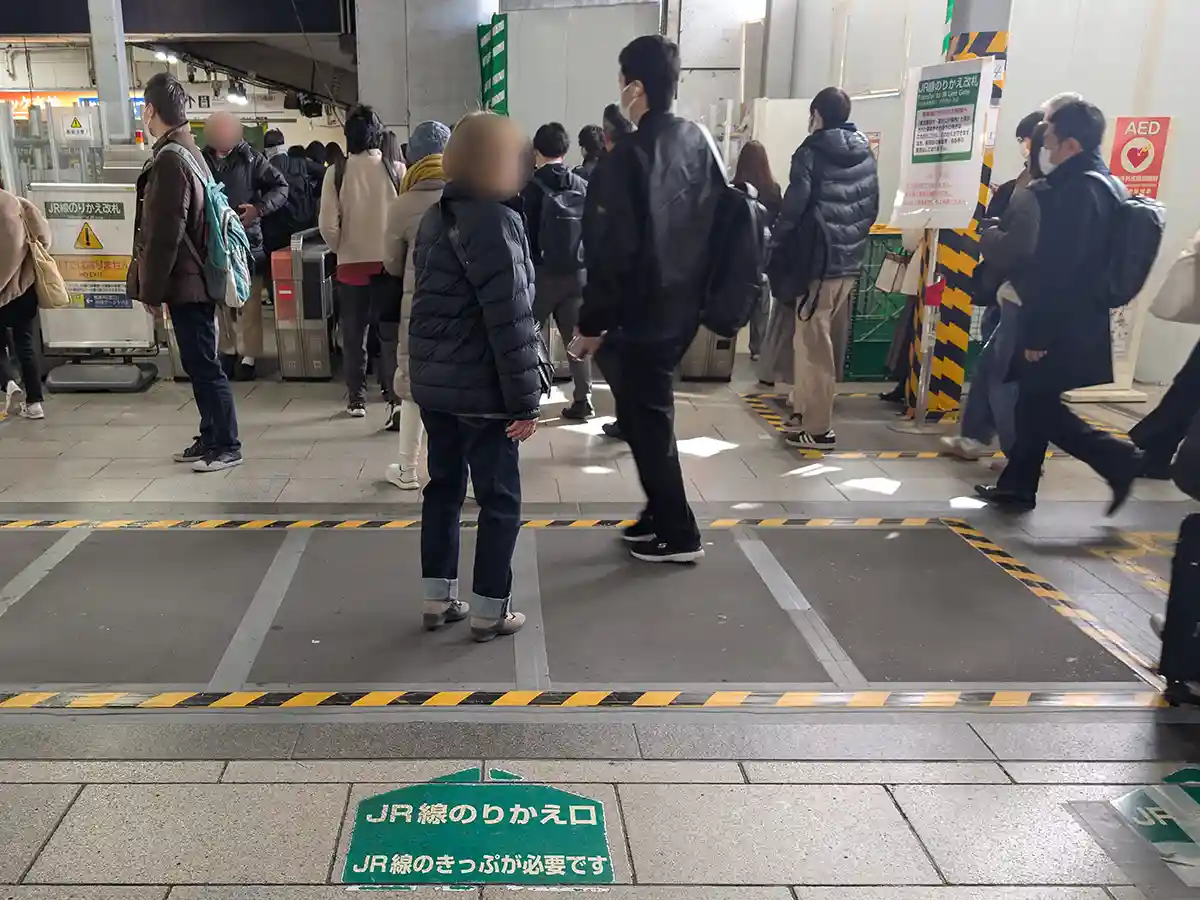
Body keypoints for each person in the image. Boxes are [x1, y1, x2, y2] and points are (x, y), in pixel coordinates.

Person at [573, 34, 723, 564]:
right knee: (643, 419)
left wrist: (590, 324)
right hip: (683, 309)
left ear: (635, 86)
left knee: (648, 421)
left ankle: (680, 534)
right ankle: (660, 513)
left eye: (622, 82)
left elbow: (610, 252)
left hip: (642, 316)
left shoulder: (628, 157)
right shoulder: (699, 142)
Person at [409, 111, 543, 641]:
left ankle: (436, 598)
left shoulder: (433, 218)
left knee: (442, 489)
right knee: (499, 498)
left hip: (436, 390)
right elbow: (509, 319)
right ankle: (491, 608)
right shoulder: (496, 223)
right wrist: (525, 402)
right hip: (484, 392)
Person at [975, 99, 1143, 513]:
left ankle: (1117, 459)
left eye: (1047, 137)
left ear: (1069, 143)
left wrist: (1039, 335)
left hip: (1059, 320)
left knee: (1040, 406)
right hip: (1075, 318)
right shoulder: (1100, 182)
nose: (1041, 146)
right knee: (1035, 404)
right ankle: (1017, 486)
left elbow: (1061, 270)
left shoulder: (1077, 191)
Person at [129, 73, 241, 471]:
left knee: (204, 364)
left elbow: (164, 235)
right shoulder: (188, 151)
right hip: (194, 278)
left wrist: (150, 291)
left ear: (151, 111)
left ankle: (226, 443)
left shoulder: (172, 160)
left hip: (187, 282)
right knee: (198, 362)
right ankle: (211, 434)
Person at [773, 87, 880, 450]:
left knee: (814, 345)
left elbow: (795, 206)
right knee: (809, 340)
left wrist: (777, 242)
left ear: (816, 113)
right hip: (847, 262)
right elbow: (871, 206)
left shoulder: (811, 152)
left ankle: (819, 428)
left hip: (817, 262)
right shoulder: (866, 152)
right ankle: (803, 414)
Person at [942, 117, 1047, 461]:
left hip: (1023, 295)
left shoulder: (1040, 189)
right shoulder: (1026, 182)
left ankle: (1019, 455)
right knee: (991, 368)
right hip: (1009, 291)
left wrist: (990, 234)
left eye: (1026, 139)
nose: (1024, 145)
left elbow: (1019, 245)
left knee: (1004, 376)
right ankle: (974, 436)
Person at [318, 105, 402, 418]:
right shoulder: (396, 169)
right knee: (388, 334)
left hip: (351, 267)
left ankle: (356, 398)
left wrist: (344, 248)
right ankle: (391, 392)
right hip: (388, 265)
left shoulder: (336, 172)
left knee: (354, 334)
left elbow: (327, 224)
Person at [382, 119, 451, 489]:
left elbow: (392, 264)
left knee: (411, 388)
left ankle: (407, 470)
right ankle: (467, 478)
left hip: (419, 307)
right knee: (461, 391)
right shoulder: (467, 195)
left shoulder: (403, 203)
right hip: (462, 310)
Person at [202, 111, 288, 382]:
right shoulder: (202, 160)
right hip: (214, 242)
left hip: (248, 242)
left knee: (249, 303)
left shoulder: (252, 159)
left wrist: (259, 210)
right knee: (221, 300)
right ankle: (227, 350)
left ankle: (249, 356)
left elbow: (281, 187)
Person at [522, 121, 592, 420]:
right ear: (566, 150)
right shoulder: (581, 185)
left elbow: (523, 232)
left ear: (536, 151)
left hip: (541, 274)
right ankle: (583, 398)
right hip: (577, 274)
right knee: (576, 337)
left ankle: (529, 397)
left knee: (525, 334)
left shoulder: (529, 187)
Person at [587, 103, 635, 442]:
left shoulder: (606, 171)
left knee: (607, 347)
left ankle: (631, 415)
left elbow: (594, 231)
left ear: (606, 137)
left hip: (617, 275)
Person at [0, 176, 50, 419]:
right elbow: (44, 240)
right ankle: (34, 403)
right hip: (23, 288)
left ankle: (9, 382)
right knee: (25, 344)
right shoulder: (20, 205)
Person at [732, 140, 782, 361]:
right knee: (762, 301)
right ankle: (758, 348)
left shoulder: (735, 188)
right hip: (765, 252)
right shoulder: (773, 189)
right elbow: (778, 221)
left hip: (741, 251)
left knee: (736, 296)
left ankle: (727, 341)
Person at [261, 129, 322, 261]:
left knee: (277, 272)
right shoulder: (301, 163)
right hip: (302, 228)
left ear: (266, 148)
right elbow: (325, 172)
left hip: (275, 232)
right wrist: (313, 192)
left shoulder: (262, 168)